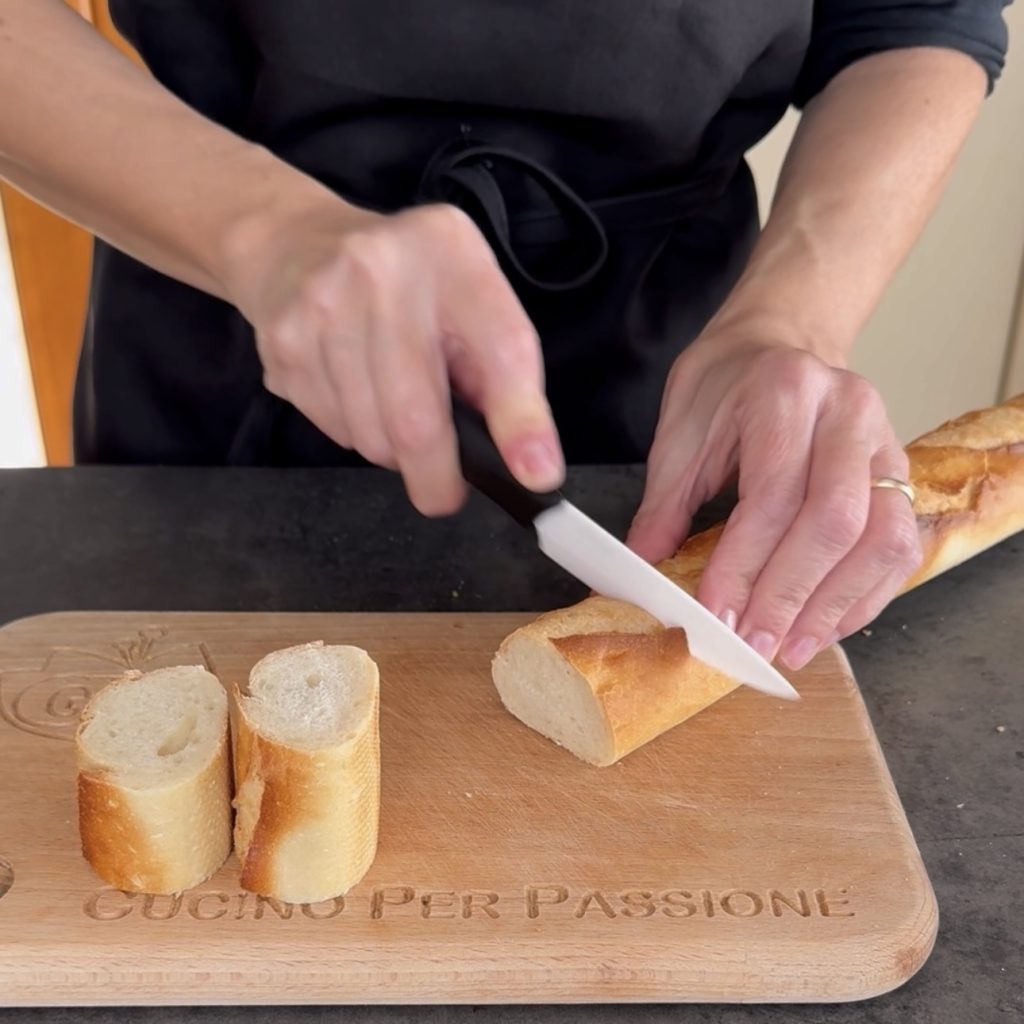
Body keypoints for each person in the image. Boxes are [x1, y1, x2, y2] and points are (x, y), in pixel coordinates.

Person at [0, 2, 1012, 671]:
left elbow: (913, 14)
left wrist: (788, 316)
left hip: (669, 399)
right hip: (224, 334)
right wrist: (264, 234)